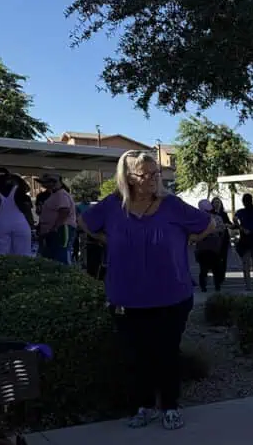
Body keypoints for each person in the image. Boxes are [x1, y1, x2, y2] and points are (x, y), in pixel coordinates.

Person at [79, 150, 215, 430]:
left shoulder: (172, 205)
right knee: (136, 355)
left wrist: (188, 239)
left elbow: (208, 224)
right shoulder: (112, 206)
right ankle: (142, 406)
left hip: (171, 294)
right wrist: (107, 239)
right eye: (146, 174)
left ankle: (170, 406)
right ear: (128, 177)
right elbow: (85, 222)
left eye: (156, 173)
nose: (153, 179)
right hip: (126, 295)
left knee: (166, 352)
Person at [0, 168, 34, 256]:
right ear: (8, 176)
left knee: (2, 255)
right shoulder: (18, 190)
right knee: (24, 254)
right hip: (21, 225)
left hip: (1, 225)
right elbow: (27, 210)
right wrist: (31, 225)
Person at [36, 173, 78, 264]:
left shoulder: (61, 195)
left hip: (62, 228)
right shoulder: (54, 195)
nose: (42, 185)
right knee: (53, 255)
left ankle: (66, 275)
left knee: (61, 254)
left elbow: (64, 211)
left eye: (45, 182)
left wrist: (55, 227)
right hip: (53, 230)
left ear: (53, 182)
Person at [194, 199, 229, 292]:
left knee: (203, 269)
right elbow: (222, 229)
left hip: (202, 246)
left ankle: (203, 286)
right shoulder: (217, 218)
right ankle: (217, 285)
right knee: (216, 267)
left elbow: (194, 231)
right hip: (214, 246)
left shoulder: (197, 219)